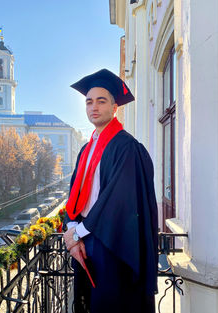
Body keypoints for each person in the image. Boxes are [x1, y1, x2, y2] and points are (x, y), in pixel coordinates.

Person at [63, 69, 158, 313]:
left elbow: (117, 200)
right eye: (89, 101)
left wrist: (78, 233)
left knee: (111, 300)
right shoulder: (86, 148)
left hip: (111, 241)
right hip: (84, 235)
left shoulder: (125, 147)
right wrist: (72, 228)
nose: (93, 106)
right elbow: (75, 191)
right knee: (89, 299)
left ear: (115, 107)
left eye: (101, 101)